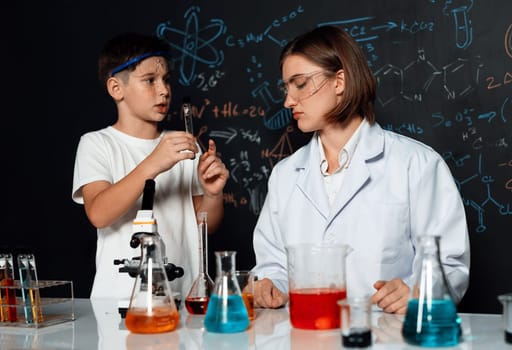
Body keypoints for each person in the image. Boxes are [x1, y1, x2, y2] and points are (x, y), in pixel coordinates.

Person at [252, 25, 470, 314]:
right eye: (286, 87)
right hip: (306, 335)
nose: (288, 101)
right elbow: (273, 264)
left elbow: (449, 266)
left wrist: (419, 293)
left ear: (339, 81)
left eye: (300, 84)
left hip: (388, 337)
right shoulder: (285, 174)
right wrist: (270, 285)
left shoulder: (416, 164)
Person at [72, 32, 229, 299]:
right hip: (120, 299)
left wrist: (213, 194)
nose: (164, 90)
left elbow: (207, 224)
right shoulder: (97, 143)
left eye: (166, 80)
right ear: (116, 88)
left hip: (183, 295)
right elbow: (98, 213)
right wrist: (153, 163)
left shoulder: (182, 144)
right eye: (150, 80)